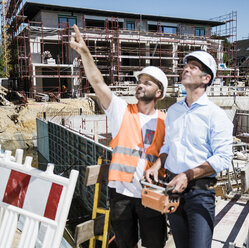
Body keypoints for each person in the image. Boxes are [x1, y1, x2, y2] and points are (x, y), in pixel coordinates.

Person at [70, 24, 168, 248]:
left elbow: (170, 152)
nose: (141, 85)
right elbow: (97, 82)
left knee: (155, 244)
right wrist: (85, 53)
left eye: (147, 82)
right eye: (140, 81)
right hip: (121, 195)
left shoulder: (166, 120)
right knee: (125, 244)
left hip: (151, 194)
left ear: (159, 93)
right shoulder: (122, 110)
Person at [145, 50, 233, 248]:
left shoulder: (216, 116)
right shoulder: (175, 110)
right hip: (173, 189)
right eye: (186, 66)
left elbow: (223, 158)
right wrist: (155, 165)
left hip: (200, 193)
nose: (186, 69)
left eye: (193, 67)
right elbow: (168, 145)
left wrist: (187, 175)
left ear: (206, 78)